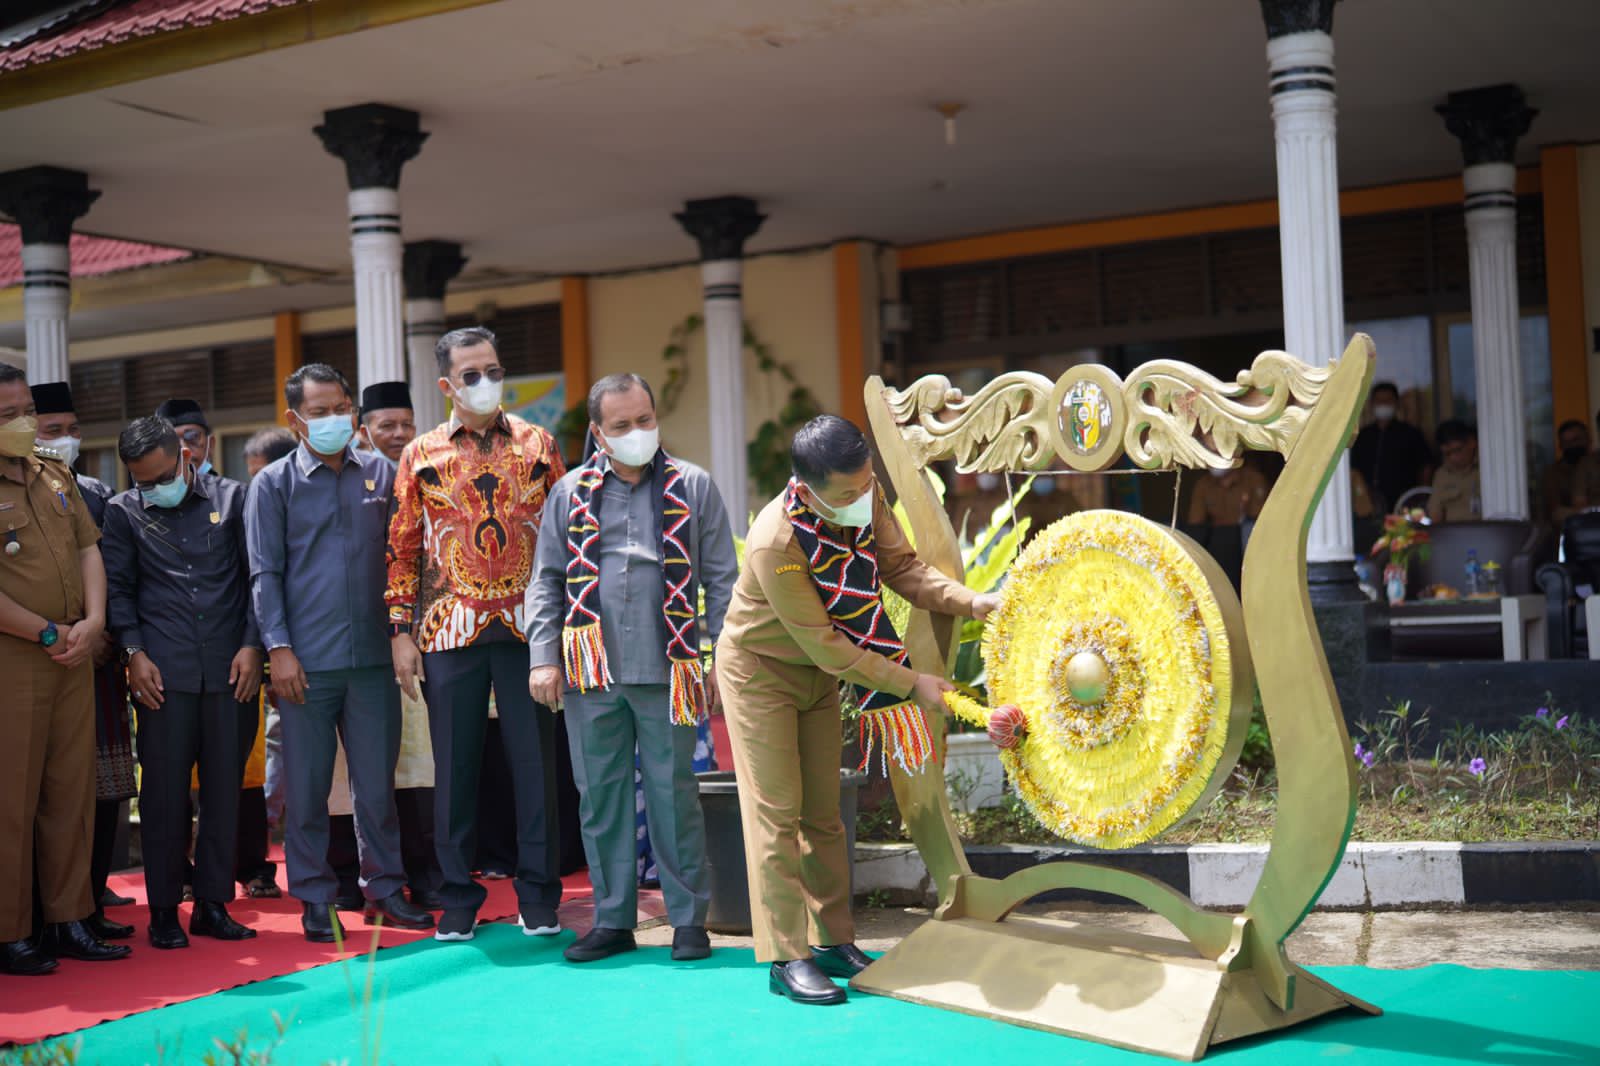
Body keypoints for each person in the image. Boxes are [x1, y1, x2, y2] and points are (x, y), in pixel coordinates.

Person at [716, 414, 998, 1005]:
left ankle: (832, 940)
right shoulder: (777, 539)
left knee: (824, 811)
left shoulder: (862, 498)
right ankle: (785, 957)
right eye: (845, 493)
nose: (861, 500)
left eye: (866, 484)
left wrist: (972, 603)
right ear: (808, 486)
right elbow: (825, 641)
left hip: (821, 672)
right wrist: (910, 682)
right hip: (762, 673)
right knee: (776, 814)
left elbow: (902, 568)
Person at [527, 373, 737, 964]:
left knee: (676, 796)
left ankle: (689, 920)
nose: (638, 433)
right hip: (589, 670)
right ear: (598, 432)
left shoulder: (693, 486)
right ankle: (614, 919)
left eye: (644, 420)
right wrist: (543, 658)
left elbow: (723, 581)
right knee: (600, 797)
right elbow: (544, 582)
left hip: (670, 666)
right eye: (622, 425)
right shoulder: (568, 493)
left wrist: (723, 657)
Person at [386, 326, 568, 943]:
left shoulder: (539, 444)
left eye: (492, 368)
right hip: (448, 629)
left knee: (534, 770)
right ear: (446, 385)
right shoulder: (421, 453)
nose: (485, 381)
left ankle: (539, 897)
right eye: (471, 374)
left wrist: (565, 627)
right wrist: (399, 631)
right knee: (455, 772)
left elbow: (565, 538)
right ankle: (458, 897)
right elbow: (401, 549)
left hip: (528, 629)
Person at [245, 363, 434, 942]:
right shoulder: (272, 485)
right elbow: (264, 573)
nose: (333, 420)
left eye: (340, 409)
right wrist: (277, 648)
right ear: (295, 420)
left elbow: (405, 561)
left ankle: (384, 889)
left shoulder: (383, 472)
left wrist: (405, 632)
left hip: (374, 659)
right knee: (305, 789)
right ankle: (313, 896)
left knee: (376, 785)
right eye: (319, 411)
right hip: (304, 663)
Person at [102, 416, 263, 949]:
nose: (153, 488)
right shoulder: (123, 513)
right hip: (161, 679)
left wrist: (251, 645)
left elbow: (256, 581)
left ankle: (213, 906)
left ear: (186, 456)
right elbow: (119, 592)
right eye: (142, 481)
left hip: (230, 671)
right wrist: (134, 653)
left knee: (223, 793)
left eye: (162, 475)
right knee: (165, 797)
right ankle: (166, 909)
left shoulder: (236, 500)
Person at [0, 364, 129, 975]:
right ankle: (11, 931)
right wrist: (48, 631)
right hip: (16, 660)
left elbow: (88, 549)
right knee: (11, 799)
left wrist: (94, 621)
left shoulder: (54, 475)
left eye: (24, 409)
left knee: (69, 792)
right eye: (8, 415)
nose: (22, 423)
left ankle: (68, 917)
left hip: (74, 655)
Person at [31, 382, 137, 942]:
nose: (66, 440)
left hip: (99, 662)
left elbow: (114, 568)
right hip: (38, 657)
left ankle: (90, 903)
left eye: (72, 429)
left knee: (104, 787)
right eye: (53, 430)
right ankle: (40, 914)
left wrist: (104, 634)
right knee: (46, 792)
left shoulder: (95, 492)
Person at [352, 381, 442, 908]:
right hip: (367, 645)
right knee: (374, 770)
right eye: (387, 425)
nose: (399, 434)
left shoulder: (430, 472)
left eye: (406, 424)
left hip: (425, 636)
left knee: (424, 760)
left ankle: (429, 871)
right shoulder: (356, 480)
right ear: (365, 431)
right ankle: (374, 878)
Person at [243, 426, 298, 860]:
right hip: (270, 645)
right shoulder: (254, 504)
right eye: (250, 475)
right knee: (278, 740)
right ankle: (263, 828)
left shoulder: (296, 498)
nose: (255, 484)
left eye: (261, 473)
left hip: (312, 641)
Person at [1350, 382, 1434, 514]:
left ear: (1396, 403)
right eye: (1379, 400)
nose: (1383, 403)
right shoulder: (1362, 436)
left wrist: (1420, 496)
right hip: (1367, 504)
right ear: (1372, 404)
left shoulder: (1411, 434)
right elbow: (1353, 470)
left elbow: (1425, 466)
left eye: (1387, 400)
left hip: (1403, 502)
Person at [1427, 420, 1481, 524]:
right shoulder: (1442, 475)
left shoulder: (1488, 469)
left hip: (1489, 533)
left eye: (1458, 450)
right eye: (1447, 453)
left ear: (1472, 442)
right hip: (1452, 535)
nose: (1453, 458)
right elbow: (1435, 516)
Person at [1542, 419, 1592, 527]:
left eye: (1576, 440)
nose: (1572, 446)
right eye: (1566, 443)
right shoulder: (1553, 474)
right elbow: (1555, 511)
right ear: (1561, 446)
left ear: (1588, 440)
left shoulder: (1596, 465)